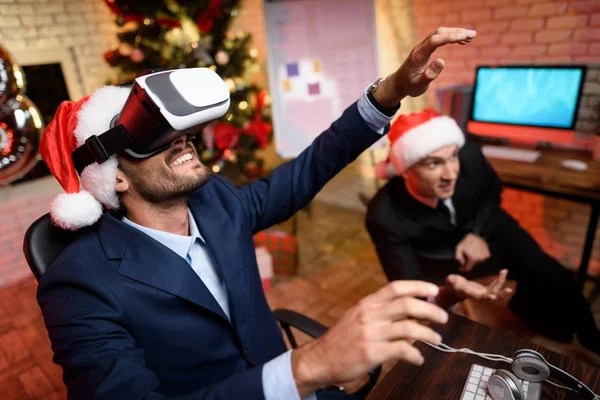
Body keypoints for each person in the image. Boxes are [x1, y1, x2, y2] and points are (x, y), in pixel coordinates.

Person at [35, 28, 506, 400]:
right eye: (156, 139)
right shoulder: (78, 284)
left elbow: (307, 170)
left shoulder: (216, 202)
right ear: (114, 177)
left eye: (182, 132)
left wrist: (390, 91)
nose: (183, 141)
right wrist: (306, 367)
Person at [365, 108, 600, 357]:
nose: (450, 174)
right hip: (436, 255)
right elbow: (413, 292)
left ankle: (589, 336)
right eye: (433, 163)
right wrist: (452, 291)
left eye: (452, 158)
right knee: (446, 337)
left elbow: (492, 191)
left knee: (550, 273)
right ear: (405, 170)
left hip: (486, 225)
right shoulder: (384, 215)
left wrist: (477, 233)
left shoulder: (469, 155)